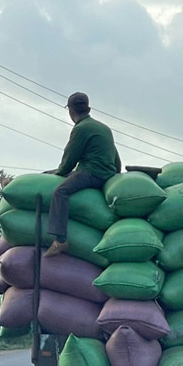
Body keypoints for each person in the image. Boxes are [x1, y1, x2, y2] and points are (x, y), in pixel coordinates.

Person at [44, 92, 122, 257]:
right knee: (51, 174)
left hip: (91, 173)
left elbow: (69, 159)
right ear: (89, 108)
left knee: (60, 192)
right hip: (106, 173)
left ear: (71, 111)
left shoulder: (81, 129)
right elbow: (116, 158)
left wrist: (60, 173)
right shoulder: (103, 128)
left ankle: (60, 240)